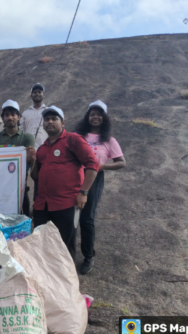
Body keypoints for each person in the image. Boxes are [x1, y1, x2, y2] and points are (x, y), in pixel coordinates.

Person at [31, 105, 100, 261]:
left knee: (65, 245)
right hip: (42, 205)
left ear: (62, 123)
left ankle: (67, 280)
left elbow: (92, 164)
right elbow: (36, 177)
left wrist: (83, 192)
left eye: (54, 119)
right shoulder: (41, 149)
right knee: (42, 244)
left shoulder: (74, 140)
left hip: (66, 204)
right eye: (47, 119)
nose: (50, 121)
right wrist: (33, 160)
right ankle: (48, 278)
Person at [74, 100, 126, 274]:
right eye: (92, 114)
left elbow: (121, 163)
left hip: (94, 179)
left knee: (87, 218)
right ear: (87, 117)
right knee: (69, 217)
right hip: (73, 177)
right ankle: (67, 254)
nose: (95, 117)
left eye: (99, 114)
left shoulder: (109, 140)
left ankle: (88, 256)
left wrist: (101, 166)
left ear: (104, 118)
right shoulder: (78, 136)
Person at [0, 100, 36, 216]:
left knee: (22, 225)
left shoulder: (28, 137)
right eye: (7, 115)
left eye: (13, 114)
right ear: (2, 118)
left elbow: (29, 160)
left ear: (19, 117)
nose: (10, 117)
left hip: (20, 189)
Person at [20, 83, 48, 150]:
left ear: (43, 95)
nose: (37, 94)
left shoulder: (48, 112)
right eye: (35, 92)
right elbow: (21, 131)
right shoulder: (25, 114)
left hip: (45, 147)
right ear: (31, 95)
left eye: (39, 92)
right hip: (29, 148)